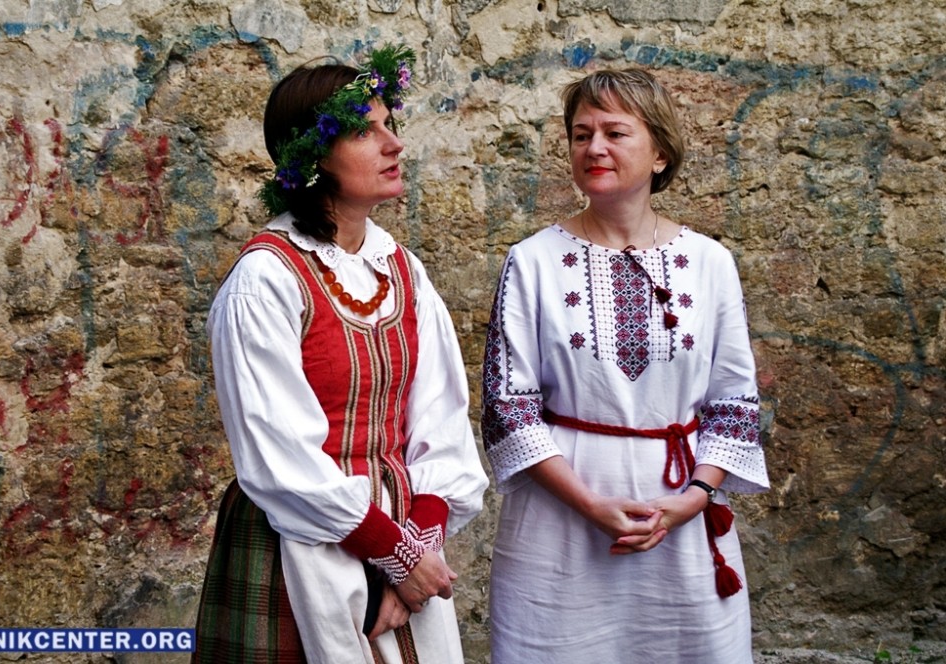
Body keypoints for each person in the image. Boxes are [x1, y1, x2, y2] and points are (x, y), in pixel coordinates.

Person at [192, 44, 488, 664]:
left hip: (403, 536)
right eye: (364, 131)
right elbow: (281, 459)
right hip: (301, 542)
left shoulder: (402, 270)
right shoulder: (265, 281)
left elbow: (441, 425)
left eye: (390, 124)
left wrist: (414, 555)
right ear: (313, 156)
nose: (394, 144)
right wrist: (394, 554)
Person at [480, 68, 770, 663]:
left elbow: (734, 401)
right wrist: (591, 505)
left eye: (615, 133)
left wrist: (696, 497)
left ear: (660, 152)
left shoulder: (709, 262)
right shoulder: (532, 261)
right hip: (560, 524)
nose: (594, 148)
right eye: (581, 134)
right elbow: (509, 408)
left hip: (680, 516)